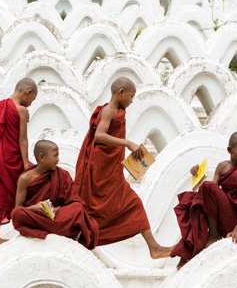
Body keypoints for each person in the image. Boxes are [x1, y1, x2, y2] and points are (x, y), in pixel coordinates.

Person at [74, 77, 173, 258]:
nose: (131, 101)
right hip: (101, 172)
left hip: (112, 170)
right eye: (131, 96)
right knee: (97, 210)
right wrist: (127, 143)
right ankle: (80, 243)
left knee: (133, 204)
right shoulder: (109, 111)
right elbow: (99, 136)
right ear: (121, 92)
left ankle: (154, 248)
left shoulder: (117, 111)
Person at [171, 131, 237, 268]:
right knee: (197, 197)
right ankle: (208, 238)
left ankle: (213, 235)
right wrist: (197, 175)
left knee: (205, 190)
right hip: (223, 217)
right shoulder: (222, 166)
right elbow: (210, 192)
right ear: (230, 150)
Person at [0, 78, 37, 249]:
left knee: (0, 196)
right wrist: (26, 163)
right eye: (32, 99)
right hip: (10, 159)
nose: (31, 104)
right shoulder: (21, 110)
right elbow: (22, 139)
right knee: (29, 189)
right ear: (27, 92)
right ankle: (28, 230)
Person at [11, 140, 99, 249]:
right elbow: (18, 207)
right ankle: (64, 232)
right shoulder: (25, 179)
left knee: (77, 208)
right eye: (55, 156)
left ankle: (53, 231)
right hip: (37, 218)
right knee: (16, 213)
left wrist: (55, 210)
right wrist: (35, 208)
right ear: (42, 157)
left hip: (57, 217)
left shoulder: (62, 175)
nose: (58, 159)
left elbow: (73, 201)